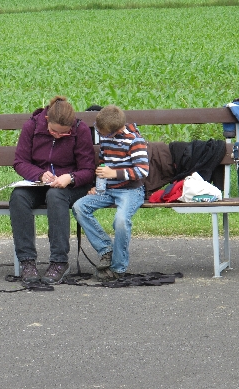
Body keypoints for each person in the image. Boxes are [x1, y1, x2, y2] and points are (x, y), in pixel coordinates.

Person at [10, 96, 95, 286]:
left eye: (64, 134)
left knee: (55, 196)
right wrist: (39, 174)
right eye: (54, 131)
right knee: (18, 197)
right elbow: (20, 162)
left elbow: (88, 170)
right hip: (38, 183)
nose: (58, 136)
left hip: (69, 186)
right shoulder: (31, 127)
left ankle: (59, 261)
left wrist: (70, 177)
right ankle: (27, 261)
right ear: (47, 119)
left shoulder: (80, 129)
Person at [72, 105, 149, 282]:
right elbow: (103, 164)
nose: (100, 135)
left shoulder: (135, 141)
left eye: (103, 133)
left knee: (121, 220)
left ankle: (118, 267)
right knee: (79, 207)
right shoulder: (106, 140)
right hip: (108, 190)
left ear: (116, 131)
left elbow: (142, 171)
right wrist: (97, 186)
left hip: (130, 190)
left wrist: (114, 173)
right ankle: (106, 249)